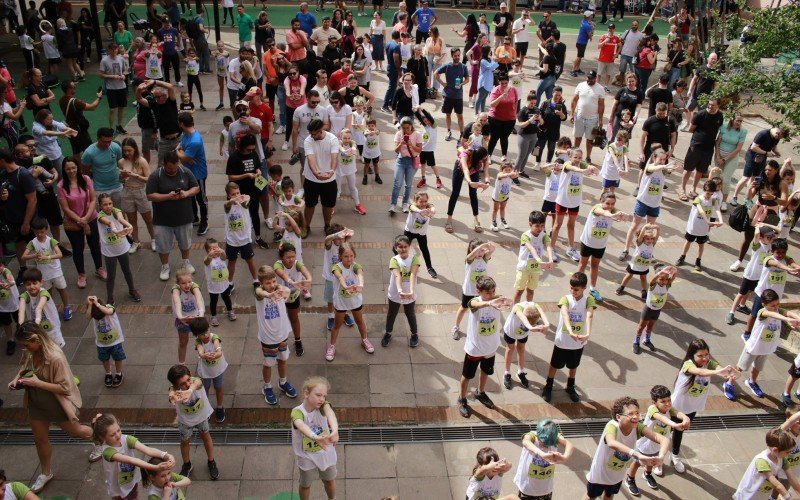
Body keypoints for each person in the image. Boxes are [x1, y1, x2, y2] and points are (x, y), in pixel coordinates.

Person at [6, 322, 100, 493]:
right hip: (36, 403)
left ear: (37, 339)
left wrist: (38, 383)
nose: (24, 348)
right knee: (40, 439)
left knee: (75, 431)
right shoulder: (30, 351)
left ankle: (99, 438)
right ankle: (45, 472)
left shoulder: (55, 357)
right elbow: (24, 367)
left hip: (57, 404)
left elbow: (65, 387)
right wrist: (16, 379)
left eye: (26, 344)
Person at [583, 396, 670, 500]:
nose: (636, 416)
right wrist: (637, 454)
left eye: (637, 413)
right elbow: (611, 442)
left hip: (618, 474)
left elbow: (664, 439)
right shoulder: (612, 425)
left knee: (609, 495)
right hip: (600, 473)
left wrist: (661, 456)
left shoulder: (637, 427)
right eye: (630, 414)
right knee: (591, 496)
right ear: (619, 417)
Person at [457, 275, 511, 418]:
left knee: (486, 372)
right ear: (478, 291)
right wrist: (489, 303)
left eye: (493, 291)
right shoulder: (475, 301)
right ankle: (462, 399)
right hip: (475, 348)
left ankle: (480, 393)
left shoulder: (496, 298)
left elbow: (509, 304)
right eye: (488, 292)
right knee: (467, 375)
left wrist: (507, 302)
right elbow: (473, 305)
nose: (491, 295)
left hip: (491, 348)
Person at [146, 150, 200, 281]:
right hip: (162, 219)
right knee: (163, 245)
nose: (172, 170)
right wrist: (168, 196)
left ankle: (186, 261)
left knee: (185, 242)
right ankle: (165, 266)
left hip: (184, 216)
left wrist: (186, 194)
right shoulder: (155, 176)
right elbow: (150, 195)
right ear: (164, 164)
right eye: (169, 168)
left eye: (175, 167)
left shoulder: (185, 172)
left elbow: (196, 187)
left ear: (178, 163)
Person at [624, 385, 690, 493]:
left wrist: (685, 417)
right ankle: (630, 479)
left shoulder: (669, 409)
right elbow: (661, 418)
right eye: (663, 401)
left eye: (669, 400)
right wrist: (674, 425)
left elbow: (677, 412)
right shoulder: (652, 410)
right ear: (654, 402)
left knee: (652, 462)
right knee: (637, 463)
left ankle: (647, 474)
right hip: (645, 445)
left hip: (658, 445)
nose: (667, 404)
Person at [166, 363, 219, 480]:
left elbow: (197, 383)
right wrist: (171, 397)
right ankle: (187, 464)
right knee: (184, 441)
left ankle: (211, 461)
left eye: (188, 380)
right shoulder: (174, 389)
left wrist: (190, 390)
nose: (187, 384)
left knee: (206, 436)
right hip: (185, 421)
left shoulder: (195, 382)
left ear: (190, 375)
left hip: (201, 417)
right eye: (182, 384)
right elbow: (171, 390)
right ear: (175, 385)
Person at [291, 376, 339, 500]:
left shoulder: (323, 406)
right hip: (306, 456)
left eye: (324, 396)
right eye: (318, 395)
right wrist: (315, 437)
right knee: (305, 485)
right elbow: (300, 425)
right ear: (306, 393)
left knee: (329, 480)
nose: (322, 399)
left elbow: (331, 414)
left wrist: (335, 430)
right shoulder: (297, 412)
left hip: (325, 452)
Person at [577, 192, 630, 302]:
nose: (610, 206)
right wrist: (610, 215)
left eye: (613, 204)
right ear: (601, 201)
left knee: (595, 265)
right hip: (587, 243)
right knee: (582, 264)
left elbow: (623, 216)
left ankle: (592, 289)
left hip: (600, 245)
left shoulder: (614, 210)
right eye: (607, 203)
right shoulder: (596, 208)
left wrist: (624, 215)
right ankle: (577, 287)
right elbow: (601, 211)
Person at [327, 243, 371, 361]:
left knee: (359, 321)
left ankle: (364, 340)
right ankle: (332, 346)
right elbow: (340, 277)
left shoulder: (356, 266)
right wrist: (346, 286)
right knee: (337, 325)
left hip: (355, 301)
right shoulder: (336, 267)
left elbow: (360, 274)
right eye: (346, 256)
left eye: (351, 256)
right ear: (340, 256)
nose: (349, 259)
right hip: (341, 302)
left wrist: (361, 285)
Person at [21, 218, 71, 320]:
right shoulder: (33, 243)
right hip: (43, 274)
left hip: (55, 271)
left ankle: (67, 307)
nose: (40, 234)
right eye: (37, 232)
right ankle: (51, 309)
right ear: (33, 231)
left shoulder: (51, 241)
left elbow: (59, 254)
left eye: (42, 232)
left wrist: (47, 257)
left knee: (61, 289)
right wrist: (34, 255)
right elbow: (23, 257)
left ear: (46, 229)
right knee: (47, 292)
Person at [96, 193, 140, 304]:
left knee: (127, 271)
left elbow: (120, 219)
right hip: (109, 251)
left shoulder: (116, 211)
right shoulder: (100, 216)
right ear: (100, 206)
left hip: (122, 248)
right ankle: (110, 297)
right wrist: (116, 231)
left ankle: (132, 289)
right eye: (105, 204)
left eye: (110, 203)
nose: (108, 206)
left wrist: (129, 226)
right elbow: (109, 222)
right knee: (111, 275)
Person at [513, 419, 574, 499]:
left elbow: (569, 444)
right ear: (537, 435)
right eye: (544, 442)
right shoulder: (531, 436)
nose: (546, 445)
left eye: (549, 443)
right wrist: (542, 454)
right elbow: (526, 442)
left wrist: (564, 458)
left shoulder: (555, 436)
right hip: (527, 487)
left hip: (546, 489)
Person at [734, 428, 800, 499]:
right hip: (748, 496)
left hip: (762, 495)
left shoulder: (782, 458)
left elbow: (792, 479)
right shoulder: (762, 461)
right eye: (787, 452)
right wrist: (788, 497)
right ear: (775, 450)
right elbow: (777, 485)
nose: (789, 454)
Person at [380, 234, 420, 348]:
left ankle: (414, 334)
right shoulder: (394, 260)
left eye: (405, 246)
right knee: (391, 314)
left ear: (409, 246)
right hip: (395, 294)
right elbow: (397, 276)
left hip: (410, 294)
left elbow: (413, 274)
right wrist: (400, 291)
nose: (403, 249)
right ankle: (388, 333)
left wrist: (411, 291)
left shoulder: (414, 259)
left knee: (410, 314)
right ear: (396, 247)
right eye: (400, 246)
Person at [680, 98, 724, 200]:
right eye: (709, 104)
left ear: (718, 106)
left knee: (700, 170)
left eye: (713, 105)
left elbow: (719, 129)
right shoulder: (700, 114)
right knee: (688, 168)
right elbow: (691, 129)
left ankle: (693, 189)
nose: (710, 106)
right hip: (696, 146)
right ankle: (682, 189)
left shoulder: (720, 116)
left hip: (708, 148)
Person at [302, 119, 339, 238]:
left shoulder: (332, 139)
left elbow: (334, 157)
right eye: (310, 133)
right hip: (311, 179)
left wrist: (331, 171)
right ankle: (306, 226)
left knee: (328, 205)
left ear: (320, 131)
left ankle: (327, 225)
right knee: (309, 204)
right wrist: (315, 173)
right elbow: (310, 159)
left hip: (329, 179)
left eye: (314, 134)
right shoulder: (308, 140)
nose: (311, 136)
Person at [118, 138, 155, 254]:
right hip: (127, 191)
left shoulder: (142, 161)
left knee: (148, 219)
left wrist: (134, 175)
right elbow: (120, 179)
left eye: (129, 150)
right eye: (125, 151)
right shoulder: (121, 162)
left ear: (135, 149)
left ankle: (154, 239)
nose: (127, 153)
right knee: (131, 219)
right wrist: (123, 176)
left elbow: (148, 179)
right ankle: (136, 241)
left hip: (140, 191)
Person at [731, 126, 784, 205]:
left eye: (780, 137)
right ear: (777, 132)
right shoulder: (762, 134)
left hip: (761, 159)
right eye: (778, 136)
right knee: (746, 177)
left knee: (754, 179)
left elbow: (774, 147)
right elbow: (753, 147)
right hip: (752, 158)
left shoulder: (777, 137)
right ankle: (734, 196)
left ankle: (747, 198)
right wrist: (766, 153)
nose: (778, 138)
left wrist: (777, 153)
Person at [135, 79, 181, 168]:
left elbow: (170, 86)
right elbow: (139, 99)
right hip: (164, 141)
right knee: (161, 164)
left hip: (177, 139)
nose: (157, 99)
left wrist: (155, 82)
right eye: (156, 97)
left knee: (179, 164)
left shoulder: (171, 101)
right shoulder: (154, 104)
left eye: (159, 96)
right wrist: (138, 90)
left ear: (165, 95)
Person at [503, 300, 548, 390]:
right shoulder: (518, 308)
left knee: (521, 349)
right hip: (511, 331)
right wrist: (531, 327)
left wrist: (547, 324)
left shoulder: (535, 305)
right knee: (510, 349)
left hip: (522, 332)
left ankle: (520, 372)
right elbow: (523, 318)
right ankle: (507, 373)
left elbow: (542, 313)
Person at [176, 112, 208, 236]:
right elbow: (182, 148)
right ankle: (195, 218)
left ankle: (204, 222)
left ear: (182, 124)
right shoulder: (186, 134)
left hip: (198, 174)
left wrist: (178, 151)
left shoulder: (194, 141)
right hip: (189, 172)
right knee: (191, 197)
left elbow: (182, 156)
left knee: (201, 199)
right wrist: (182, 152)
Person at [445, 145, 490, 234]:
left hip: (474, 171)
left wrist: (487, 183)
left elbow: (486, 170)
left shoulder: (484, 157)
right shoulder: (465, 154)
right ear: (476, 157)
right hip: (460, 170)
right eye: (480, 160)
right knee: (455, 193)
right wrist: (470, 182)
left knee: (473, 194)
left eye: (483, 159)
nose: (482, 161)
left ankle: (476, 220)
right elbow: (465, 169)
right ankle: (449, 219)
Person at [222, 182, 258, 287]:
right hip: (232, 241)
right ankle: (230, 283)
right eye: (233, 194)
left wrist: (240, 198)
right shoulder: (227, 206)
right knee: (231, 262)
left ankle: (256, 280)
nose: (237, 196)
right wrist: (232, 200)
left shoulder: (244, 203)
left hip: (245, 240)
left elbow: (247, 198)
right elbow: (226, 205)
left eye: (238, 193)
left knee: (250, 261)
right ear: (228, 195)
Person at [86, 295, 127, 388]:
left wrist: (97, 304)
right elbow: (88, 316)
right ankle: (108, 373)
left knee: (118, 358)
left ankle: (118, 373)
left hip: (115, 341)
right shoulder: (93, 312)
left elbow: (108, 311)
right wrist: (90, 305)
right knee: (104, 359)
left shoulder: (109, 307)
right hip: (102, 343)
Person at [435, 48, 469, 141]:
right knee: (448, 115)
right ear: (452, 55)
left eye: (458, 55)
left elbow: (467, 79)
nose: (457, 57)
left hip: (458, 96)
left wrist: (462, 84)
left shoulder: (463, 67)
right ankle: (449, 131)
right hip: (448, 95)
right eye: (455, 56)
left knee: (460, 116)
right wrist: (443, 84)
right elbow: (435, 73)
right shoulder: (447, 66)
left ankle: (462, 134)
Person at [570, 71, 605, 162]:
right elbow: (574, 100)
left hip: (592, 119)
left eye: (591, 78)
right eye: (588, 78)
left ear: (595, 78)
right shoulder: (580, 85)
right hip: (579, 116)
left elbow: (601, 105)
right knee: (577, 137)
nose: (589, 80)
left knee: (589, 139)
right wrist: (572, 114)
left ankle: (588, 157)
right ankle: (575, 156)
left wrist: (600, 120)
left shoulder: (600, 88)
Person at [715, 113, 747, 211]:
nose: (739, 123)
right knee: (716, 178)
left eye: (741, 121)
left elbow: (738, 149)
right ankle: (715, 198)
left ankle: (724, 202)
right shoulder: (724, 126)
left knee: (726, 179)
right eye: (737, 120)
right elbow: (718, 142)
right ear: (732, 119)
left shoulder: (743, 131)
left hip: (732, 157)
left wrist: (724, 159)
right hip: (719, 154)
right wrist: (718, 156)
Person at [58, 81, 100, 155]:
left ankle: (78, 166)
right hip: (79, 130)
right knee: (89, 151)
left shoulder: (61, 100)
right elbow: (92, 107)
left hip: (70, 129)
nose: (75, 88)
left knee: (76, 152)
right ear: (69, 89)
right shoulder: (75, 102)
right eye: (73, 86)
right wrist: (99, 97)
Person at [382, 31, 402, 110]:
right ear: (398, 36)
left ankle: (390, 103)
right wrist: (399, 70)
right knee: (391, 87)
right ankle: (385, 105)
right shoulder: (396, 46)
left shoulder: (388, 44)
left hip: (390, 67)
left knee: (393, 87)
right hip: (393, 69)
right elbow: (396, 59)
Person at [571, 11, 594, 77]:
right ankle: (573, 70)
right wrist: (592, 30)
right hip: (582, 43)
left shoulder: (583, 21)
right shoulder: (587, 26)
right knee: (578, 57)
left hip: (579, 42)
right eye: (590, 15)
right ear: (588, 16)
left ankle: (577, 69)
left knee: (580, 56)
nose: (591, 16)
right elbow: (589, 35)